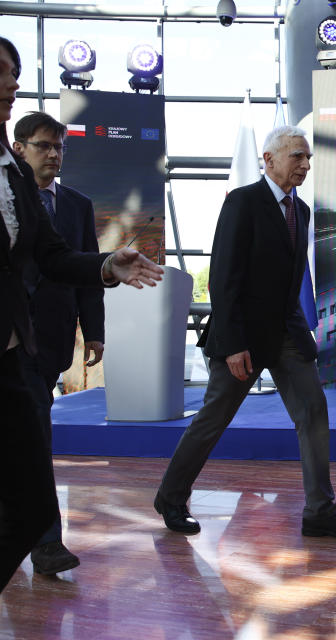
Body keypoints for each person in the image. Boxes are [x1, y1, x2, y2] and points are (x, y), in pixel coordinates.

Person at [0, 35, 164, 593]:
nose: (9, 83)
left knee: (30, 493)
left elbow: (49, 254)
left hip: (21, 349)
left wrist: (105, 267)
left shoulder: (14, 178)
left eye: (13, 77)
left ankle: (46, 543)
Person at [154, 125, 336, 542]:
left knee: (313, 413)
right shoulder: (243, 202)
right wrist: (233, 344)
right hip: (243, 337)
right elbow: (224, 277)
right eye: (296, 157)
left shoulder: (301, 211)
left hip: (286, 333)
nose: (305, 165)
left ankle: (320, 512)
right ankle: (170, 497)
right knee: (213, 420)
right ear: (268, 160)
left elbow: (290, 279)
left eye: (308, 159)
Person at [11, 111, 103, 576]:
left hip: (47, 339)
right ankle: (45, 542)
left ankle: (43, 542)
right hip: (10, 337)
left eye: (59, 147)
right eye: (45, 146)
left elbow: (79, 264)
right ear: (19, 147)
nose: (54, 154)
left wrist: (95, 330)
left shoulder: (76, 205)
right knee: (31, 437)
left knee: (33, 435)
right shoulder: (11, 198)